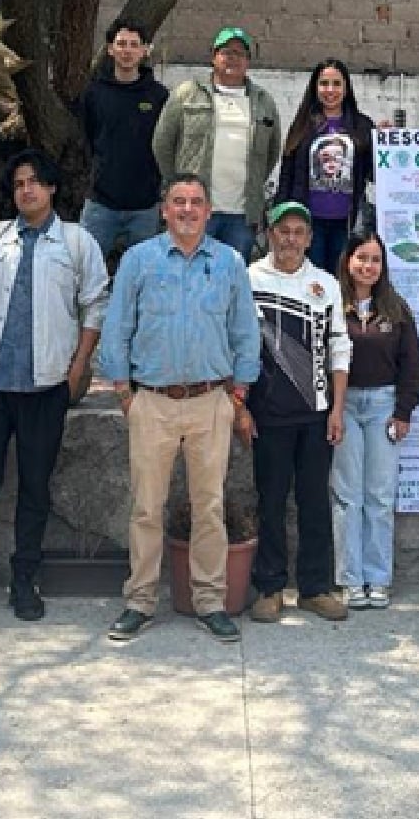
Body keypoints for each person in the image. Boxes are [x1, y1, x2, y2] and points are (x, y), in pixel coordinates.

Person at [99, 175, 262, 644]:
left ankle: (210, 601)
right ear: (164, 210)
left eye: (196, 202)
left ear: (209, 211)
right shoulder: (139, 260)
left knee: (209, 507)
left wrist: (239, 393)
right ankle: (140, 600)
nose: (188, 209)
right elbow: (118, 327)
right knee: (147, 507)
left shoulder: (229, 263)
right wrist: (125, 393)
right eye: (179, 202)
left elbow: (244, 332)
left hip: (212, 402)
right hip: (152, 400)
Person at [0, 151, 109, 622]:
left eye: (36, 182)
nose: (27, 190)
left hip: (46, 385)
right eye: (19, 184)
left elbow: (95, 304)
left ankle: (25, 579)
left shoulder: (76, 242)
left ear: (53, 188)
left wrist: (79, 364)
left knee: (35, 488)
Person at [242, 201, 352, 624]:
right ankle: (269, 588)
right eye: (283, 230)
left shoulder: (325, 284)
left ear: (310, 238)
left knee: (314, 502)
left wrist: (337, 409)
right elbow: (238, 344)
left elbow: (340, 348)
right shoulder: (248, 279)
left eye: (298, 232)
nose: (290, 239)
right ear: (270, 233)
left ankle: (315, 588)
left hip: (316, 413)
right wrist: (240, 408)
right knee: (270, 501)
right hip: (267, 413)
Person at [331, 232, 419, 610]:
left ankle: (378, 578)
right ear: (348, 261)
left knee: (380, 496)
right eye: (361, 258)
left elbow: (413, 367)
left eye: (375, 260)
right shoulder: (332, 303)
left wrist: (403, 412)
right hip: (345, 406)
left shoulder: (396, 309)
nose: (368, 266)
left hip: (384, 405)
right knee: (347, 495)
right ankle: (350, 580)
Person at [151, 27, 281, 260]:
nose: (232, 58)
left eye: (240, 53)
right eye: (226, 52)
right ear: (214, 56)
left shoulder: (263, 101)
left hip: (241, 214)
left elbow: (271, 152)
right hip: (194, 208)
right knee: (187, 270)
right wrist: (179, 185)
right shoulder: (187, 94)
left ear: (248, 61)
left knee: (231, 275)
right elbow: (163, 144)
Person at [273, 59, 376, 273]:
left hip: (347, 222)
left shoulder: (362, 126)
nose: (330, 90)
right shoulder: (302, 125)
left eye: (337, 84)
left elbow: (374, 173)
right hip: (310, 222)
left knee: (342, 280)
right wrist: (278, 216)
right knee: (311, 278)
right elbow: (287, 174)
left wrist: (384, 142)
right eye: (324, 83)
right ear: (315, 87)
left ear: (346, 88)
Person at [79, 18, 169, 259]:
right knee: (86, 270)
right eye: (121, 44)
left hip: (145, 206)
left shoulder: (159, 96)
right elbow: (86, 137)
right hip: (101, 202)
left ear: (144, 50)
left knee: (143, 275)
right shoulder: (94, 93)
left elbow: (166, 144)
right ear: (110, 49)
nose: (127, 50)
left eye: (133, 44)